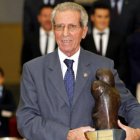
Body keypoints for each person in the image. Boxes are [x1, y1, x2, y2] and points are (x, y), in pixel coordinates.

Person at [16, 2, 140, 140]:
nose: (65, 33)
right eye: (59, 26)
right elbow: (25, 120)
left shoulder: (103, 66)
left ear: (84, 31)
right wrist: (67, 135)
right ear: (53, 30)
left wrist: (136, 131)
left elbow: (130, 106)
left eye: (72, 26)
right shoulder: (33, 70)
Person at [81, 1, 128, 83]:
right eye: (99, 16)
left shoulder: (119, 39)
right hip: (88, 85)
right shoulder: (84, 40)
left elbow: (123, 65)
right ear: (92, 17)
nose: (103, 20)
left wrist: (112, 80)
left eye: (106, 17)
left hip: (114, 86)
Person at [0, 67, 16, 137]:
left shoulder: (7, 93)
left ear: (2, 78)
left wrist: (0, 110)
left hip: (4, 127)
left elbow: (12, 107)